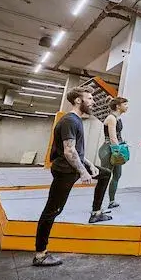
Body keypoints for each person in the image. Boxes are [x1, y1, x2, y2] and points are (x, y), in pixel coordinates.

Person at [33, 86, 112, 267]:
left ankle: (96, 212)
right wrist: (83, 172)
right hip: (65, 171)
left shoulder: (76, 120)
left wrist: (89, 165)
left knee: (105, 174)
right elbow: (69, 151)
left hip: (74, 166)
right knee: (52, 210)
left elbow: (76, 150)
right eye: (90, 99)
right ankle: (40, 254)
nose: (93, 102)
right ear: (78, 100)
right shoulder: (70, 121)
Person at [99, 96, 129, 209]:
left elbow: (117, 136)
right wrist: (117, 152)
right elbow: (112, 137)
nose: (127, 106)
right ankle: (98, 205)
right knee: (105, 177)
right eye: (125, 104)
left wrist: (122, 145)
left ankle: (111, 201)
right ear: (118, 106)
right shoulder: (111, 118)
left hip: (116, 148)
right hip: (108, 150)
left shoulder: (118, 118)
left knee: (117, 175)